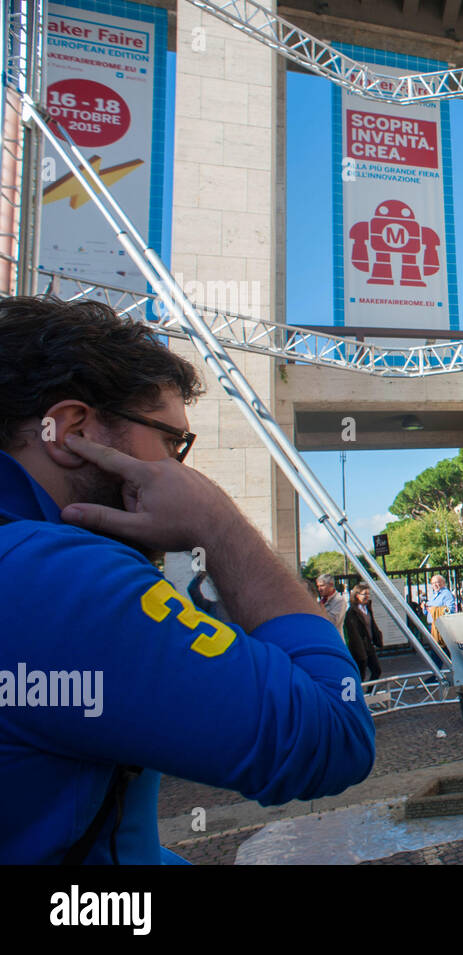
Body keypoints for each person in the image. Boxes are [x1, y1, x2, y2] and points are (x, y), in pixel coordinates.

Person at [0, 296, 374, 864]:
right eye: (172, 442)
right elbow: (334, 732)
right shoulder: (61, 580)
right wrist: (220, 525)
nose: (183, 472)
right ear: (70, 431)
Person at [343, 584, 384, 682]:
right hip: (359, 647)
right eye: (364, 594)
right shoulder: (352, 612)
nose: (367, 596)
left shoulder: (367, 609)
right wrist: (360, 651)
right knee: (360, 673)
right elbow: (354, 633)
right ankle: (361, 694)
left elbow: (372, 625)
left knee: (376, 670)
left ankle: (370, 692)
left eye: (368, 594)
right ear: (357, 595)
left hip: (369, 645)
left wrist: (377, 637)